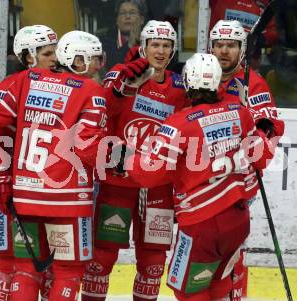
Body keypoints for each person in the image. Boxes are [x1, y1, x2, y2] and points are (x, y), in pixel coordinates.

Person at [125, 52, 277, 301]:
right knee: (218, 282)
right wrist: (262, 132)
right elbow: (259, 158)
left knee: (186, 289)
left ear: (187, 82)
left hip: (202, 224)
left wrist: (128, 159)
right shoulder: (240, 112)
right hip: (238, 219)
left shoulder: (179, 124)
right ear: (218, 82)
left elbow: (150, 175)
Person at [0, 30, 107, 301]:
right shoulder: (91, 91)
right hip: (67, 198)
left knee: (24, 269)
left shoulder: (24, 82)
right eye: (96, 59)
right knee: (66, 272)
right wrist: (123, 160)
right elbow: (90, 146)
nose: (53, 58)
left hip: (23, 192)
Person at [81, 20, 189, 301]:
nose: (161, 51)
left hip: (158, 187)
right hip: (118, 180)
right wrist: (124, 88)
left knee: (153, 263)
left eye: (167, 45)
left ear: (173, 50)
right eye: (155, 44)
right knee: (101, 258)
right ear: (143, 46)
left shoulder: (181, 86)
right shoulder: (122, 74)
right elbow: (101, 112)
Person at [0, 25, 58, 301]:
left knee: (52, 267)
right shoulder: (11, 86)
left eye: (55, 52)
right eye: (47, 53)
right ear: (29, 56)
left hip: (52, 189)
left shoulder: (64, 86)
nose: (55, 59)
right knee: (11, 265)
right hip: (15, 188)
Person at [208, 19, 285, 300]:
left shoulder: (253, 81)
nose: (224, 51)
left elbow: (271, 126)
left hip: (239, 179)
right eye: (219, 45)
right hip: (201, 178)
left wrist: (255, 122)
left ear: (241, 50)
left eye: (231, 45)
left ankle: (235, 296)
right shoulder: (201, 74)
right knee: (204, 249)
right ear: (211, 47)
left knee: (232, 250)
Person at [97, 0, 146, 71]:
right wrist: (129, 45)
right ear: (117, 20)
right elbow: (111, 67)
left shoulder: (151, 40)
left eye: (132, 13)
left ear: (141, 19)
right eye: (123, 13)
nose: (127, 17)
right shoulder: (104, 42)